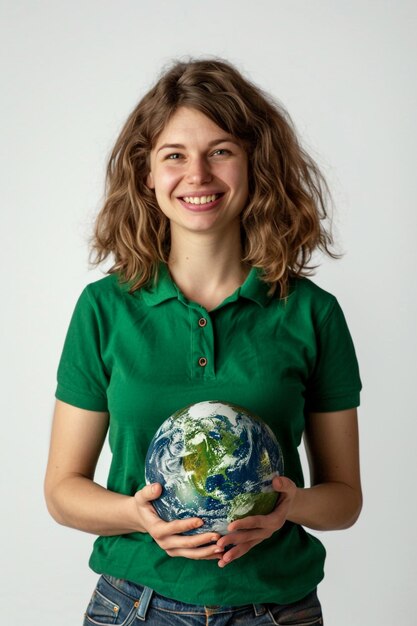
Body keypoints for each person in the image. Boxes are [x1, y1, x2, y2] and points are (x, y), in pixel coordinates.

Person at [44, 58, 362, 625]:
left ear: (253, 165)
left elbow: (344, 499)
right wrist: (136, 515)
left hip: (278, 609)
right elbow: (62, 491)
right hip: (134, 606)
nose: (198, 175)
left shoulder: (312, 314)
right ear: (147, 174)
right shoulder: (104, 309)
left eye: (220, 151)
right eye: (174, 155)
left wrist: (291, 505)